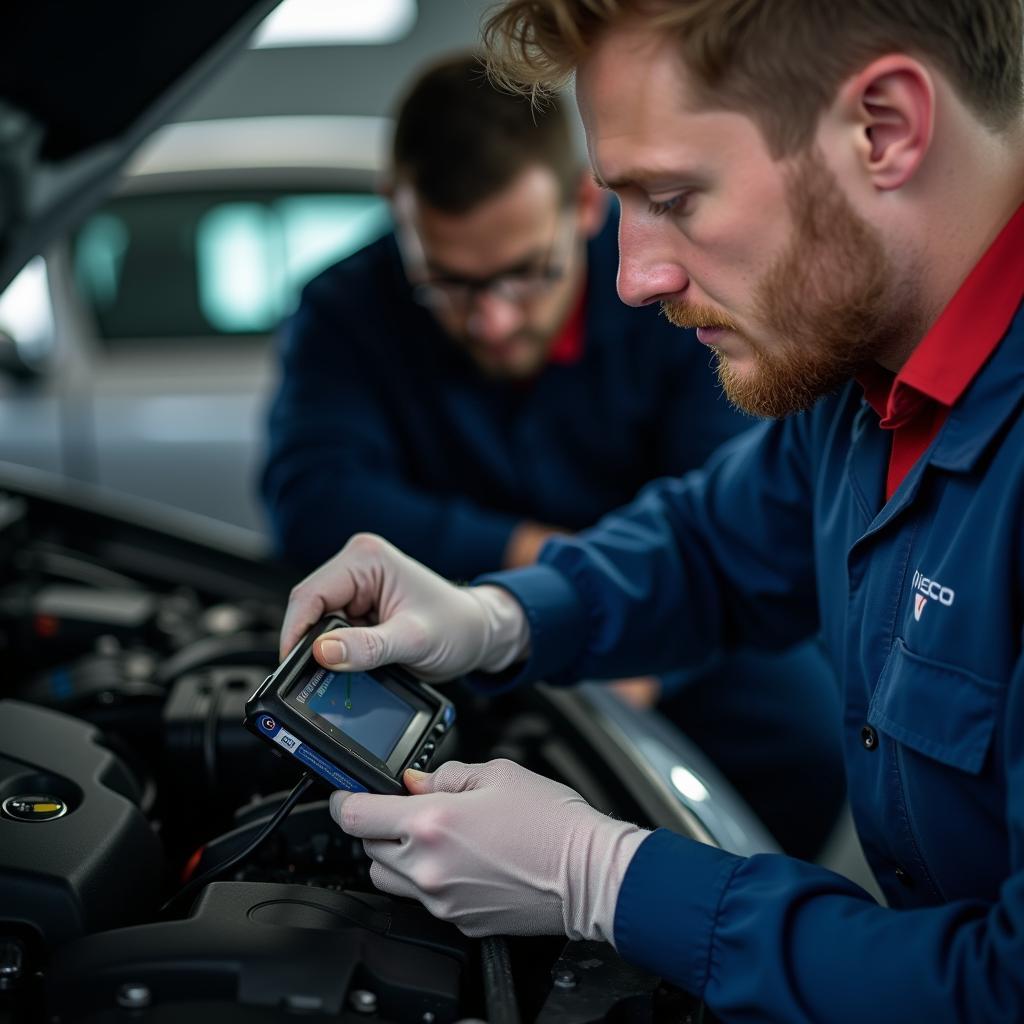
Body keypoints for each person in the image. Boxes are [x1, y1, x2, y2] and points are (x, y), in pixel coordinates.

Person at [262, 54, 844, 860]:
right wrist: (524, 566)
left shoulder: (675, 295)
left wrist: (630, 651)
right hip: (472, 623)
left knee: (808, 735)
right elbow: (312, 495)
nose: (495, 321)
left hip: (679, 625)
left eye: (525, 276)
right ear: (400, 218)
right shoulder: (346, 309)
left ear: (582, 203)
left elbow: (732, 525)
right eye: (450, 285)